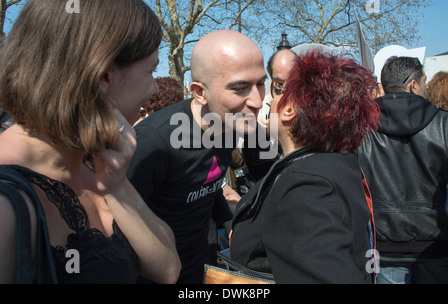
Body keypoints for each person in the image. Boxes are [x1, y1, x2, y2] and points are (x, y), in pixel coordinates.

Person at [0, 0, 180, 284]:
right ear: (104, 76)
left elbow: (168, 269)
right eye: (150, 71)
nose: (155, 89)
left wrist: (118, 187)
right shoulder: (7, 205)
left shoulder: (89, 162)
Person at [127, 30, 269, 284]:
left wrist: (228, 220)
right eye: (240, 88)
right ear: (199, 92)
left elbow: (207, 181)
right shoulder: (153, 142)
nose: (258, 101)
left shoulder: (229, 123)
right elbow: (118, 219)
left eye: (260, 83)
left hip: (205, 266)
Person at [230, 50, 380, 284]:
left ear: (289, 110)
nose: (264, 101)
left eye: (278, 91)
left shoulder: (306, 188)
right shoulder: (332, 164)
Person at [357, 56, 448, 284]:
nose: (428, 86)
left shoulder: (361, 129)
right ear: (413, 85)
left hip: (383, 250)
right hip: (435, 250)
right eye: (424, 81)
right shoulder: (443, 125)